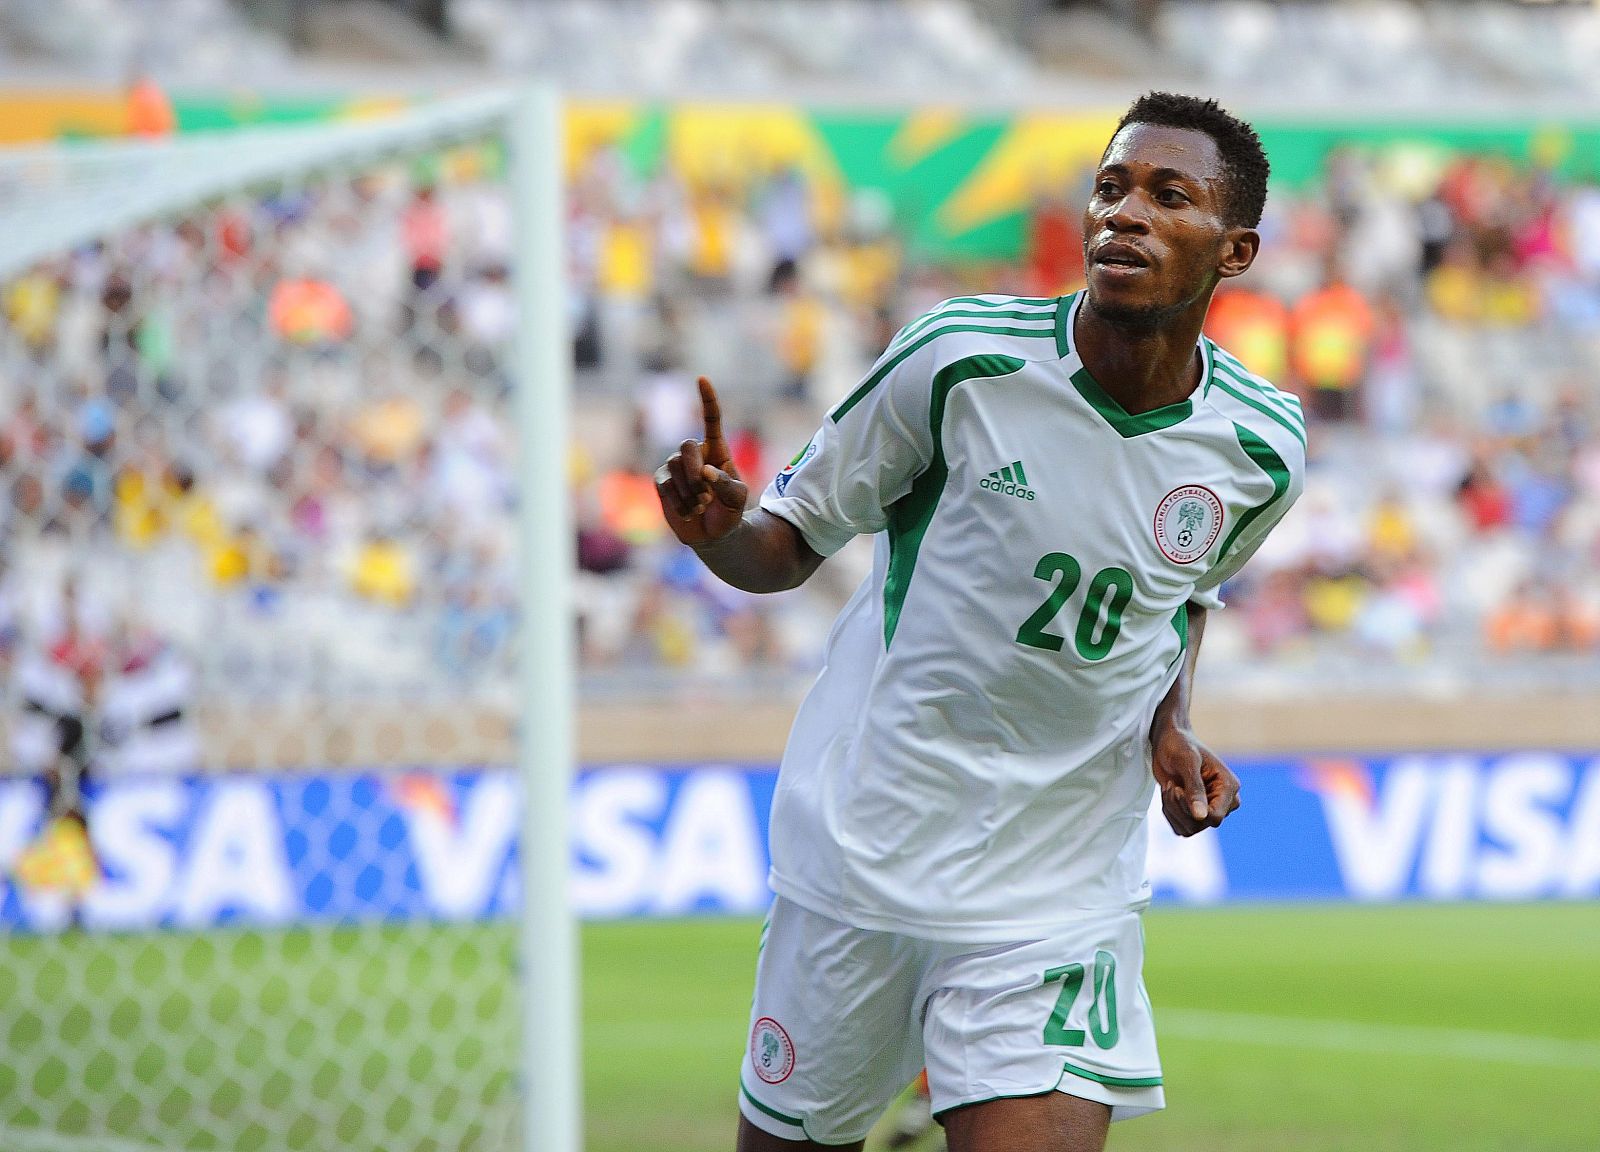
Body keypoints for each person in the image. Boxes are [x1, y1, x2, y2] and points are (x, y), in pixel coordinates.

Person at [655, 93, 1304, 1152]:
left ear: (1234, 251)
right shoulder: (958, 360)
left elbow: (1180, 597)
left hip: (1056, 888)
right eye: (1109, 188)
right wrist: (720, 532)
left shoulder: (1261, 448)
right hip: (866, 857)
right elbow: (785, 545)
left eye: (1165, 195)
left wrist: (1168, 725)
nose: (1121, 215)